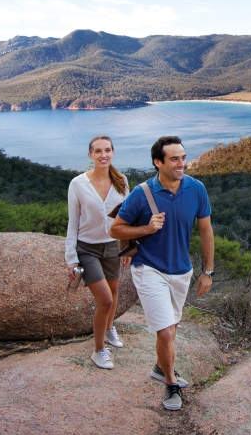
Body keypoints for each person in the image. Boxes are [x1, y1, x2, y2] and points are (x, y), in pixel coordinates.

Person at [110, 136, 214, 411]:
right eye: (175, 159)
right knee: (166, 332)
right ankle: (170, 382)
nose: (182, 163)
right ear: (158, 162)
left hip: (182, 270)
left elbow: (206, 230)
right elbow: (116, 229)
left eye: (183, 157)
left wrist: (208, 271)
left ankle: (160, 366)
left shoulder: (196, 188)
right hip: (148, 267)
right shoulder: (143, 193)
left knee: (172, 328)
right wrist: (146, 228)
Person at [66, 136, 130, 370]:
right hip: (88, 248)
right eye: (98, 151)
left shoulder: (121, 180)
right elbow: (73, 223)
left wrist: (126, 246)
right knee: (105, 299)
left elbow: (126, 218)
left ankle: (110, 327)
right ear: (90, 155)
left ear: (113, 152)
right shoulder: (78, 184)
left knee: (114, 291)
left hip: (112, 246)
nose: (103, 155)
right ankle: (99, 350)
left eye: (107, 150)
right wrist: (71, 258)